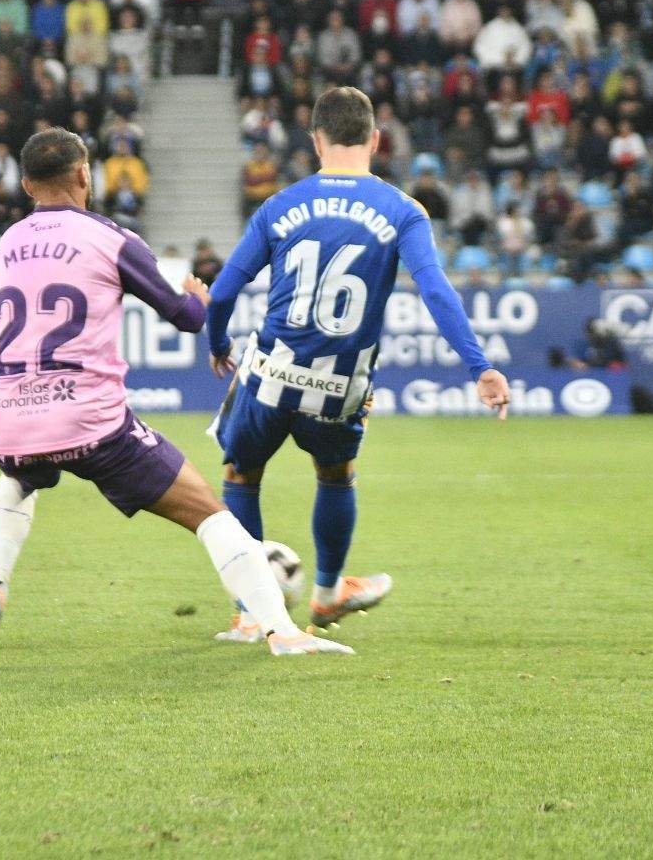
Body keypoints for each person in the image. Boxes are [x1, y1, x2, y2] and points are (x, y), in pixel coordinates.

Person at [0, 128, 349, 657]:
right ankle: (282, 633)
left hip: (9, 423)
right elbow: (182, 317)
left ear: (24, 185)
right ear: (86, 174)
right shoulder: (111, 239)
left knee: (19, 477)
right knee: (211, 513)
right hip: (93, 425)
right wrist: (198, 299)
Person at [203, 87, 511, 643]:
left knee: (240, 476)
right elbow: (436, 290)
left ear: (315, 141)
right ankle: (326, 595)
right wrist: (479, 367)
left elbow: (224, 290)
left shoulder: (279, 205)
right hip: (340, 384)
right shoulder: (403, 210)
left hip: (271, 372)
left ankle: (251, 613)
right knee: (335, 474)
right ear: (374, 139)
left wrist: (217, 340)